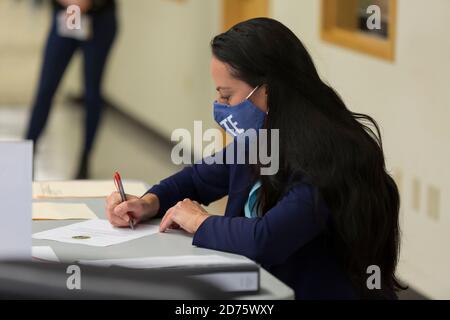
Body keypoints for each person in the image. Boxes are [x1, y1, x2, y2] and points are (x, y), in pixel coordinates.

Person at [106, 18, 403, 299]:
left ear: (267, 92)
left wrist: (200, 221)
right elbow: (197, 178)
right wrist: (148, 203)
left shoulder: (330, 156)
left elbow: (267, 239)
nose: (219, 106)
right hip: (260, 285)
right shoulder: (262, 136)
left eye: (226, 96)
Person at [26, 0, 117, 179]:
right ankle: (27, 153)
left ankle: (85, 159)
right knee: (46, 88)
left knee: (92, 94)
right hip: (65, 17)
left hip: (99, 20)